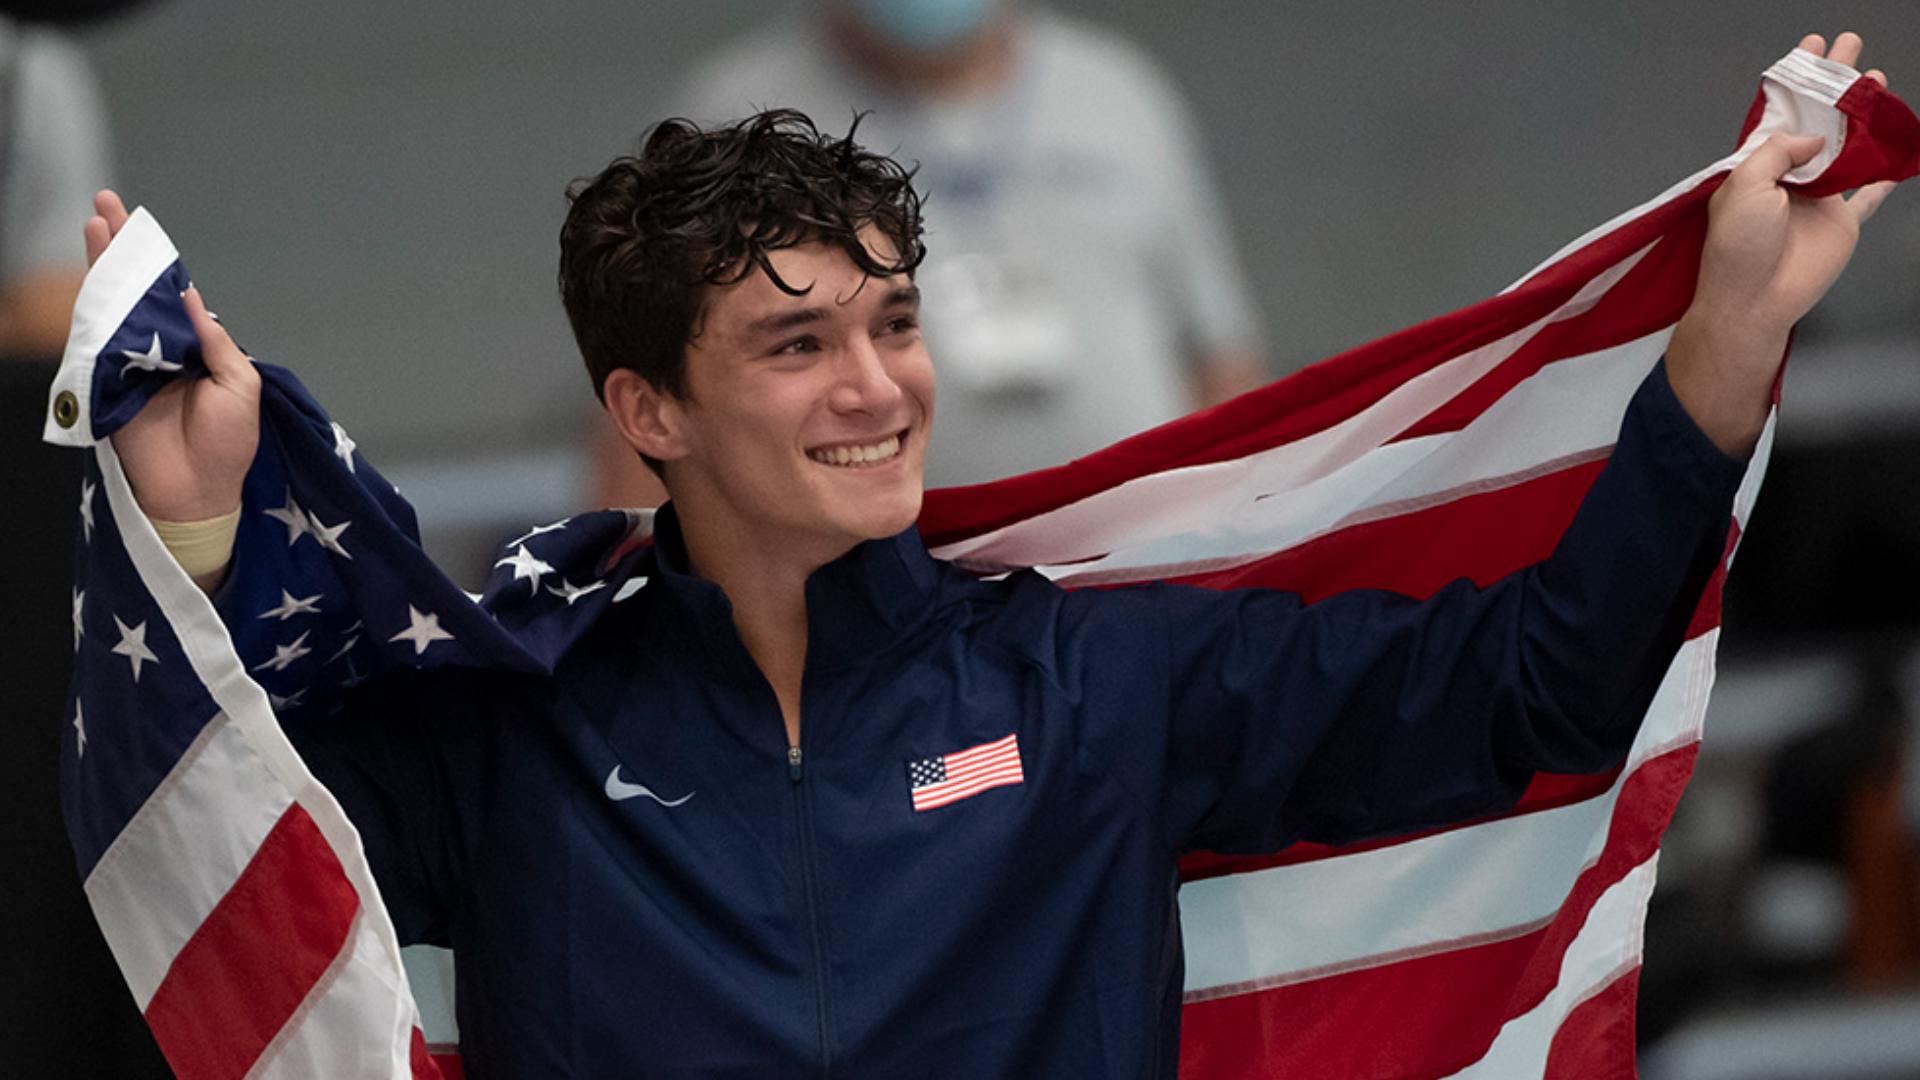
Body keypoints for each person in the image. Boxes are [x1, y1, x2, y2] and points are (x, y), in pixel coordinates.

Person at [91, 31, 1894, 1077]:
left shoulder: (1096, 680)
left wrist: (1724, 338)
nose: (879, 388)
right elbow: (229, 867)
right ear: (649, 413)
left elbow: (1543, 685)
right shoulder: (515, 734)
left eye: (894, 323)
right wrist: (188, 522)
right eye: (798, 347)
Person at [596, 0, 1267, 505]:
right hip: (869, 605)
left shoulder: (1119, 92)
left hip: (1133, 564)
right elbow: (659, 391)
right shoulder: (732, 112)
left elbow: (1219, 353)